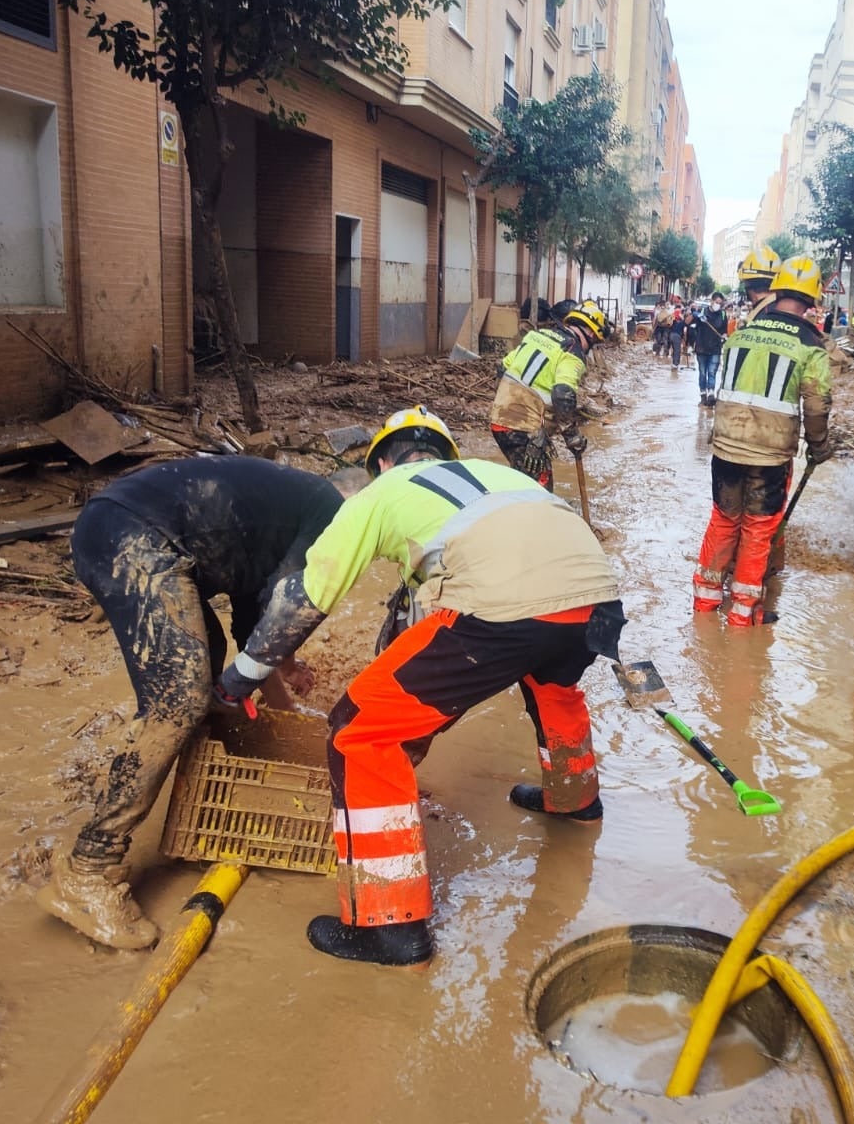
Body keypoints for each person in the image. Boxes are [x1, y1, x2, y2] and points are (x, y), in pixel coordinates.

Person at [213, 407, 625, 967]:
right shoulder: (498, 478)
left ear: (382, 460)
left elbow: (309, 595)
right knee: (552, 688)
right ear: (446, 455)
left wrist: (243, 676)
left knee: (358, 732)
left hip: (505, 608)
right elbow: (421, 639)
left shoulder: (382, 494)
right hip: (594, 600)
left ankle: (391, 928)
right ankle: (575, 801)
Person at [39, 456, 347, 948]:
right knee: (180, 696)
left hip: (130, 528)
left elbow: (254, 632)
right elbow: (284, 618)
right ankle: (88, 869)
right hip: (131, 535)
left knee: (209, 661)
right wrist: (287, 709)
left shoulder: (298, 517)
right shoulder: (333, 521)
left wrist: (285, 716)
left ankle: (193, 781)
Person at [691, 256, 833, 627]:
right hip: (769, 457)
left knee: (723, 520)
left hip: (725, 447)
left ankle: (704, 606)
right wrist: (819, 445)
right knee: (758, 528)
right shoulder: (810, 344)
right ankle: (742, 615)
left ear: (778, 288)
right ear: (813, 300)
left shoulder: (740, 333)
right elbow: (816, 405)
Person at [489, 300, 607, 489]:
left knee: (522, 481)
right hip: (524, 430)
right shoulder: (572, 352)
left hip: (499, 420)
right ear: (591, 333)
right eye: (593, 344)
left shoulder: (537, 336)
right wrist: (572, 436)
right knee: (540, 491)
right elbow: (562, 394)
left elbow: (503, 367)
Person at [690, 292, 729, 406]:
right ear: (711, 301)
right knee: (703, 372)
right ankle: (703, 395)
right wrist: (695, 314)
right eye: (716, 302)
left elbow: (725, 331)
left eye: (720, 304)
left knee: (712, 372)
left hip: (715, 348)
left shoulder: (722, 315)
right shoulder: (703, 312)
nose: (718, 305)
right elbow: (687, 322)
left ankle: (711, 394)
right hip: (701, 348)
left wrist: (724, 336)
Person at [668, 297, 687, 371]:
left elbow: (669, 326)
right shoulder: (682, 322)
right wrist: (685, 339)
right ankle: (675, 364)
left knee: (673, 349)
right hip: (677, 336)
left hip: (671, 335)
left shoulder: (673, 320)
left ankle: (674, 363)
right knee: (677, 350)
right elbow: (685, 331)